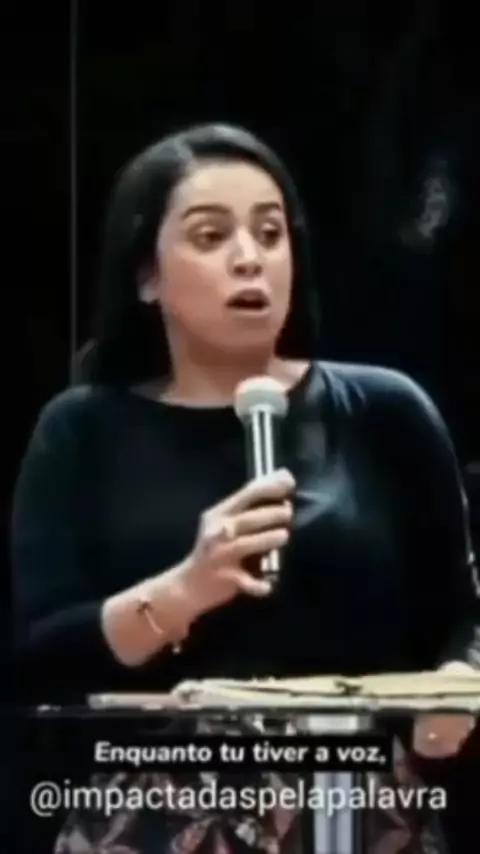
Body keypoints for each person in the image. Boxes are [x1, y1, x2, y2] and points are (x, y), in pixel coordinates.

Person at [12, 123, 480, 853]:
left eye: (270, 233)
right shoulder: (83, 430)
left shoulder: (385, 411)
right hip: (155, 817)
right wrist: (184, 590)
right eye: (210, 236)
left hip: (359, 810)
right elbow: (39, 655)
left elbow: (465, 614)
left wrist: (458, 689)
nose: (249, 258)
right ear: (146, 276)